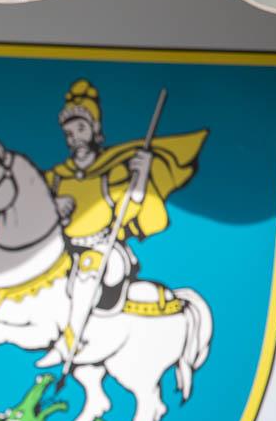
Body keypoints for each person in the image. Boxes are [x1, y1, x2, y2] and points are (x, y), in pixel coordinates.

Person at [40, 78, 206, 361]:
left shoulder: (112, 172)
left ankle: (70, 341)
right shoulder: (56, 176)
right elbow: (32, 206)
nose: (74, 138)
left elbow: (126, 212)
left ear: (95, 129)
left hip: (104, 250)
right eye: (68, 133)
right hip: (66, 250)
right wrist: (52, 205)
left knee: (89, 267)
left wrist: (140, 178)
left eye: (80, 129)